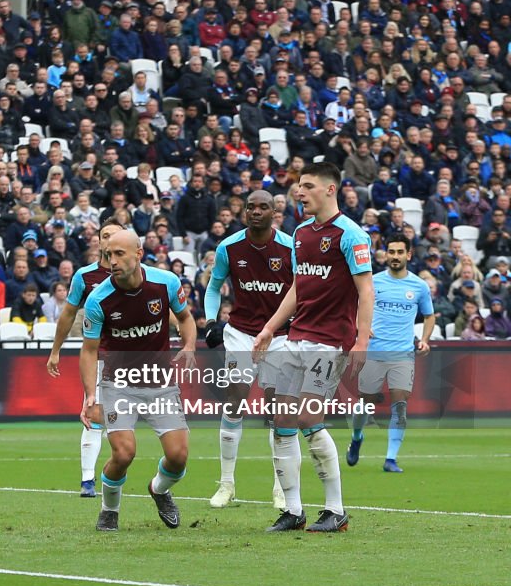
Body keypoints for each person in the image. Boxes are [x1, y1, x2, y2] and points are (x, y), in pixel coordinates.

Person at [254, 163, 374, 533]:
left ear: (330, 189)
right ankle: (293, 510)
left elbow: (366, 290)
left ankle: (335, 510)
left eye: (306, 186)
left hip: (331, 341)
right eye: (298, 186)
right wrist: (271, 328)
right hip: (297, 337)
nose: (298, 192)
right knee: (282, 419)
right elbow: (297, 287)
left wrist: (362, 340)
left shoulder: (350, 234)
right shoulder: (302, 234)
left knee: (307, 417)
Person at [80, 229, 198, 532]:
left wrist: (189, 346)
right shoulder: (98, 299)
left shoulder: (167, 283)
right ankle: (109, 510)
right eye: (108, 255)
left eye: (119, 254)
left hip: (160, 382)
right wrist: (90, 396)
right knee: (124, 452)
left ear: (138, 254)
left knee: (178, 456)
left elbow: (185, 318)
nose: (113, 261)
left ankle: (159, 489)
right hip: (118, 384)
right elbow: (89, 350)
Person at [202, 190, 292, 509]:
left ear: (274, 213)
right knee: (235, 399)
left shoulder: (290, 248)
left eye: (262, 207)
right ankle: (227, 483)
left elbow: (302, 292)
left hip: (280, 336)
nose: (255, 211)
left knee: (276, 410)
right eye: (250, 207)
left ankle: (281, 487)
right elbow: (214, 288)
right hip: (240, 333)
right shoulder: (229, 247)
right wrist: (212, 320)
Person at [46, 219, 123, 498]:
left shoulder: (136, 275)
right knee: (94, 413)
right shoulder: (85, 276)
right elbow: (68, 314)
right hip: (101, 357)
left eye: (115, 236)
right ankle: (88, 480)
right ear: (100, 242)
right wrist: (55, 350)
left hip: (132, 359)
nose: (109, 241)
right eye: (105, 236)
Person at [347, 234, 434, 474]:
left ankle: (391, 459)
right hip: (374, 353)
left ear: (408, 254)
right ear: (385, 254)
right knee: (363, 406)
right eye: (391, 252)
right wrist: (360, 325)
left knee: (400, 406)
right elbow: (354, 305)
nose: (395, 257)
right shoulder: (372, 282)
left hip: (403, 355)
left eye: (399, 252)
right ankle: (356, 437)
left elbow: (429, 315)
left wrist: (425, 340)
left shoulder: (419, 286)